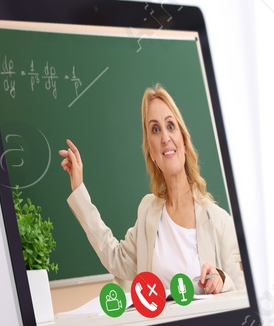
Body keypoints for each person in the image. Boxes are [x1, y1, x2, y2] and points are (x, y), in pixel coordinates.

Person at [60, 84, 244, 297]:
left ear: (183, 142)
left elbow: (241, 295)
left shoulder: (219, 221)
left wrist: (221, 280)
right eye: (155, 130)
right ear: (152, 153)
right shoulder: (148, 211)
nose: (165, 137)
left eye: (170, 126)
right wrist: (79, 188)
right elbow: (116, 258)